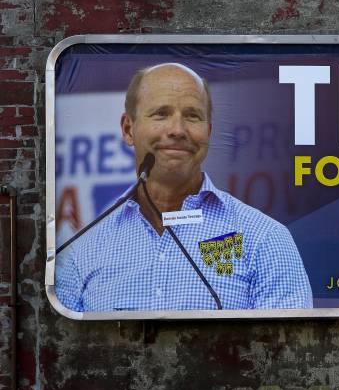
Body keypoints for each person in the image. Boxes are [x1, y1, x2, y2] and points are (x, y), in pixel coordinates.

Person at [55, 63, 313, 311]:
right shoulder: (82, 248)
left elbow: (288, 351)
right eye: (161, 114)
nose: (177, 130)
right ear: (128, 128)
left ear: (209, 132)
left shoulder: (265, 239)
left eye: (192, 116)